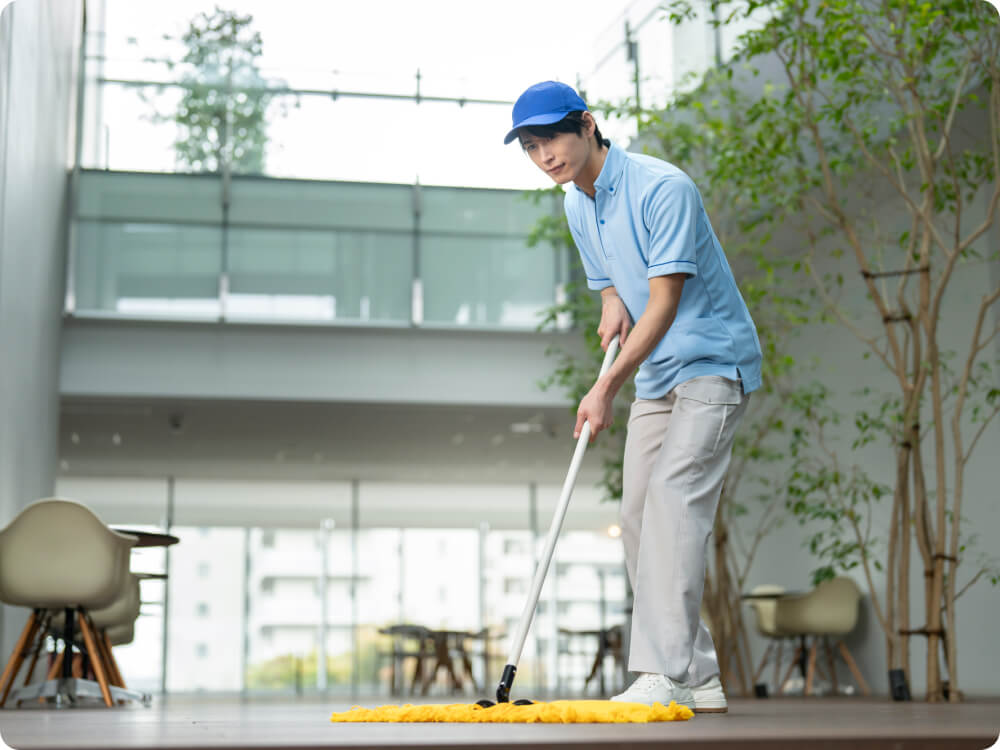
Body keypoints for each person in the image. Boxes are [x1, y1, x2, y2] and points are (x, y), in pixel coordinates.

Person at [504, 81, 762, 713]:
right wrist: (611, 305)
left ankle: (661, 672)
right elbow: (614, 284)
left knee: (675, 501)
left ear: (588, 125)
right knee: (641, 515)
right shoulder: (575, 204)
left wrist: (603, 388)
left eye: (553, 139)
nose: (545, 157)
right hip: (656, 374)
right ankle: (698, 673)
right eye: (532, 147)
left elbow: (667, 302)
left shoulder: (663, 187)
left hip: (710, 364)